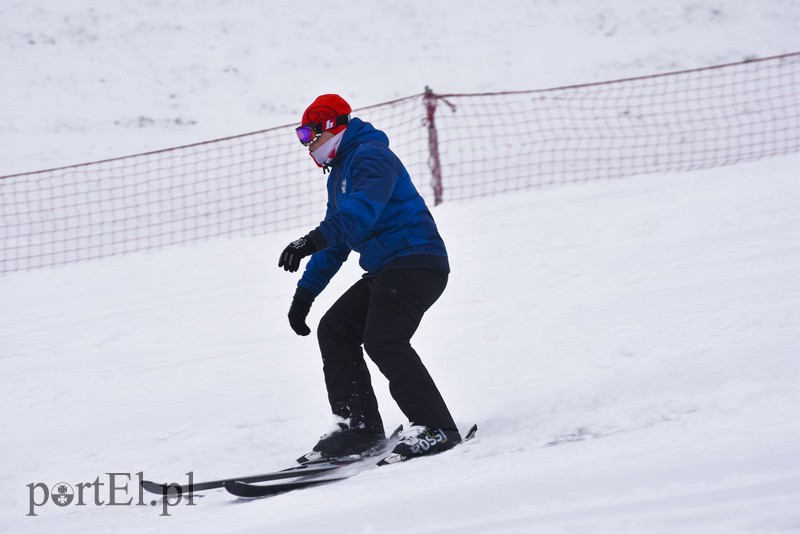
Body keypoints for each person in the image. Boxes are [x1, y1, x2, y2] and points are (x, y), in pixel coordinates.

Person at [278, 94, 462, 462]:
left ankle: (436, 427)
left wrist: (308, 241)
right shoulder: (340, 173)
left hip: (417, 262)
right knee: (335, 329)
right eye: (301, 136)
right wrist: (304, 295)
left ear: (330, 126)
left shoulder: (371, 158)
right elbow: (337, 242)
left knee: (383, 339)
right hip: (387, 269)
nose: (306, 144)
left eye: (308, 134)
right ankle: (358, 429)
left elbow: (359, 213)